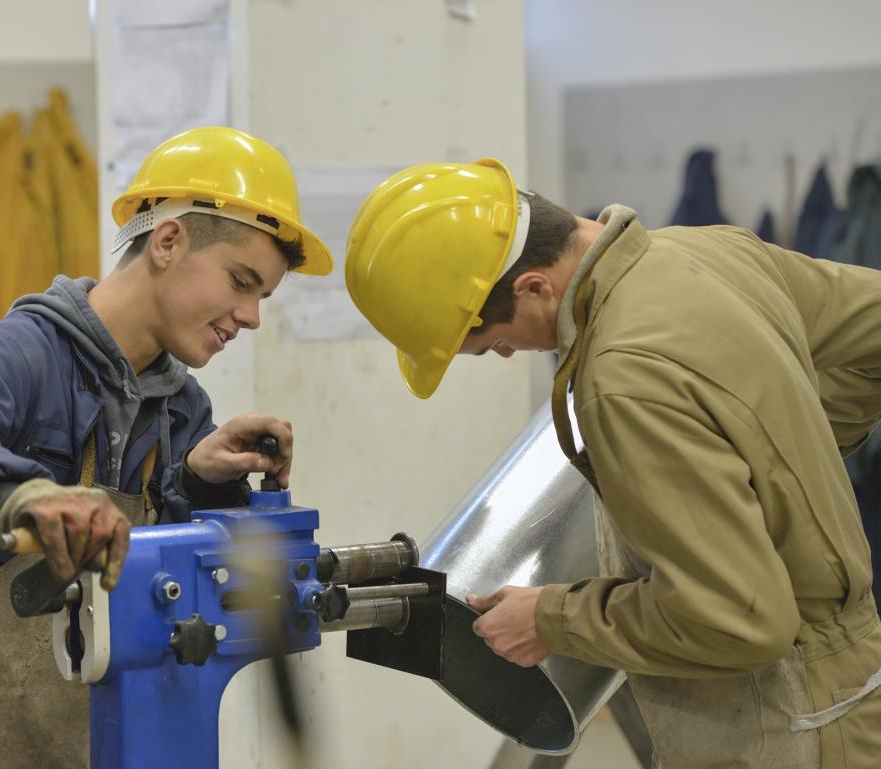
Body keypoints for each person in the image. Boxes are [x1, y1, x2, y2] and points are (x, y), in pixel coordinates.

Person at [343, 158, 881, 768]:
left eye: (492, 340)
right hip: (847, 696)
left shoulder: (622, 380)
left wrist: (551, 619)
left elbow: (741, 620)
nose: (505, 354)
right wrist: (781, 454)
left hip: (782, 726)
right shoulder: (710, 253)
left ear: (534, 288)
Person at [0, 127, 332, 769]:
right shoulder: (18, 357)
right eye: (241, 282)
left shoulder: (183, 414)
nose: (251, 316)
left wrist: (197, 484)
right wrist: (24, 499)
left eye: (262, 297)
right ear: (167, 242)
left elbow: (163, 591)